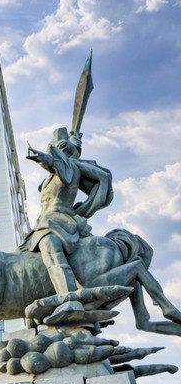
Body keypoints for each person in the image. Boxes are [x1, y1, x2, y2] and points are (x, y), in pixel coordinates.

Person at [20, 127, 113, 301]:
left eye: (57, 148)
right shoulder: (50, 177)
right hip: (43, 223)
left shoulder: (70, 167)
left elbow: (58, 164)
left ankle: (69, 298)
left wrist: (42, 157)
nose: (53, 151)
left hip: (58, 221)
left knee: (51, 253)